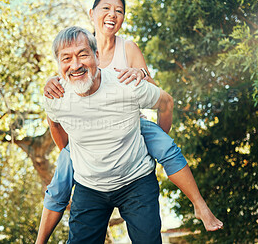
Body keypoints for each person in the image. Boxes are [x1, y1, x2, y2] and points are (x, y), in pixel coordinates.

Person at [37, 0, 222, 242]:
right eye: (105, 9)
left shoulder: (127, 49)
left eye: (119, 11)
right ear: (92, 15)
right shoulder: (77, 47)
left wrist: (140, 76)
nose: (112, 14)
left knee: (167, 149)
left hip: (131, 120)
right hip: (87, 138)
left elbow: (159, 95)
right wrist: (70, 147)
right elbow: (63, 94)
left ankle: (199, 204)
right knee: (60, 181)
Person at [41, 26, 172, 243]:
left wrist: (158, 138)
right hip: (89, 187)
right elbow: (53, 121)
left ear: (97, 56)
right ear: (58, 65)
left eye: (83, 55)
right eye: (66, 58)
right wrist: (68, 152)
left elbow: (166, 102)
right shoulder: (56, 96)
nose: (76, 65)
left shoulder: (126, 84)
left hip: (136, 179)